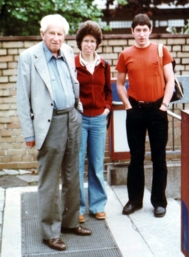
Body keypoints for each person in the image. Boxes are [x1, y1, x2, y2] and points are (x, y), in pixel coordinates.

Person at [16, 14, 92, 251]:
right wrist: (29, 134)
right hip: (49, 124)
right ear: (43, 34)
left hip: (72, 117)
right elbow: (22, 98)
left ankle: (70, 223)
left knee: (72, 174)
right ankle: (50, 232)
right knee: (49, 180)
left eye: (60, 34)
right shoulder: (29, 57)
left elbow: (73, 82)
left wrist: (77, 111)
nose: (56, 38)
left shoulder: (69, 52)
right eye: (52, 33)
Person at [115, 14, 174, 218]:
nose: (141, 34)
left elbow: (171, 81)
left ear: (150, 30)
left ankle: (159, 202)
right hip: (135, 111)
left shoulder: (161, 50)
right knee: (136, 158)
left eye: (144, 29)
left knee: (159, 158)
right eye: (137, 30)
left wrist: (164, 105)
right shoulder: (125, 54)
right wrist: (127, 106)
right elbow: (120, 84)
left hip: (158, 110)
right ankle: (134, 201)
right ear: (132, 32)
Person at [75, 21, 112, 223]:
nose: (89, 45)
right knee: (78, 164)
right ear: (80, 42)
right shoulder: (72, 64)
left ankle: (97, 206)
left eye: (93, 41)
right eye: (86, 41)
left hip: (98, 119)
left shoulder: (104, 65)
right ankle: (78, 208)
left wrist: (106, 109)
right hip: (79, 119)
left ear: (97, 44)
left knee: (97, 164)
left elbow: (108, 91)